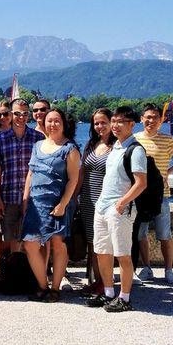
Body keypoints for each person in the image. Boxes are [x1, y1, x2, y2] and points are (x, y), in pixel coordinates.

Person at [88, 106, 147, 312]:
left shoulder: (136, 149)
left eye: (120, 121)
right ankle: (108, 293)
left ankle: (125, 297)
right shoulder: (116, 148)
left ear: (132, 124)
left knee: (122, 254)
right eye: (113, 121)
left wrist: (121, 203)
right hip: (103, 207)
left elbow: (141, 183)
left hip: (119, 209)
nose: (115, 125)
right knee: (102, 252)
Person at [22, 109, 81, 302]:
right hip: (35, 203)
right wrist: (25, 199)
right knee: (30, 244)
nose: (52, 125)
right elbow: (31, 174)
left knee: (58, 244)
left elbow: (73, 179)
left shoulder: (70, 148)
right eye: (49, 121)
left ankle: (55, 288)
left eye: (56, 121)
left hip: (57, 203)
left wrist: (63, 204)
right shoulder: (37, 145)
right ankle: (42, 285)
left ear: (64, 124)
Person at [134, 103, 173, 284]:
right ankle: (147, 268)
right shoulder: (134, 140)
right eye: (147, 117)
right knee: (139, 234)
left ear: (161, 120)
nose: (150, 121)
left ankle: (169, 270)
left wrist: (169, 170)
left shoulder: (168, 140)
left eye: (154, 118)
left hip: (161, 195)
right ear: (141, 119)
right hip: (139, 195)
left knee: (165, 234)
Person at [0, 99, 45, 257]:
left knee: (33, 239)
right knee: (12, 239)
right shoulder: (0, 139)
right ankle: (15, 273)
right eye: (17, 114)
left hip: (33, 198)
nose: (21, 117)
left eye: (24, 114)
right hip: (9, 196)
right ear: (10, 114)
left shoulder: (38, 138)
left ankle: (32, 275)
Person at [77, 108, 115, 293]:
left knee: (105, 243)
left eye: (103, 122)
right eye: (96, 123)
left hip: (107, 201)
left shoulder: (118, 146)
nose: (100, 126)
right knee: (92, 242)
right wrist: (75, 196)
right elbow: (82, 172)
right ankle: (97, 280)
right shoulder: (91, 144)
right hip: (87, 200)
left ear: (111, 122)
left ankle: (106, 282)